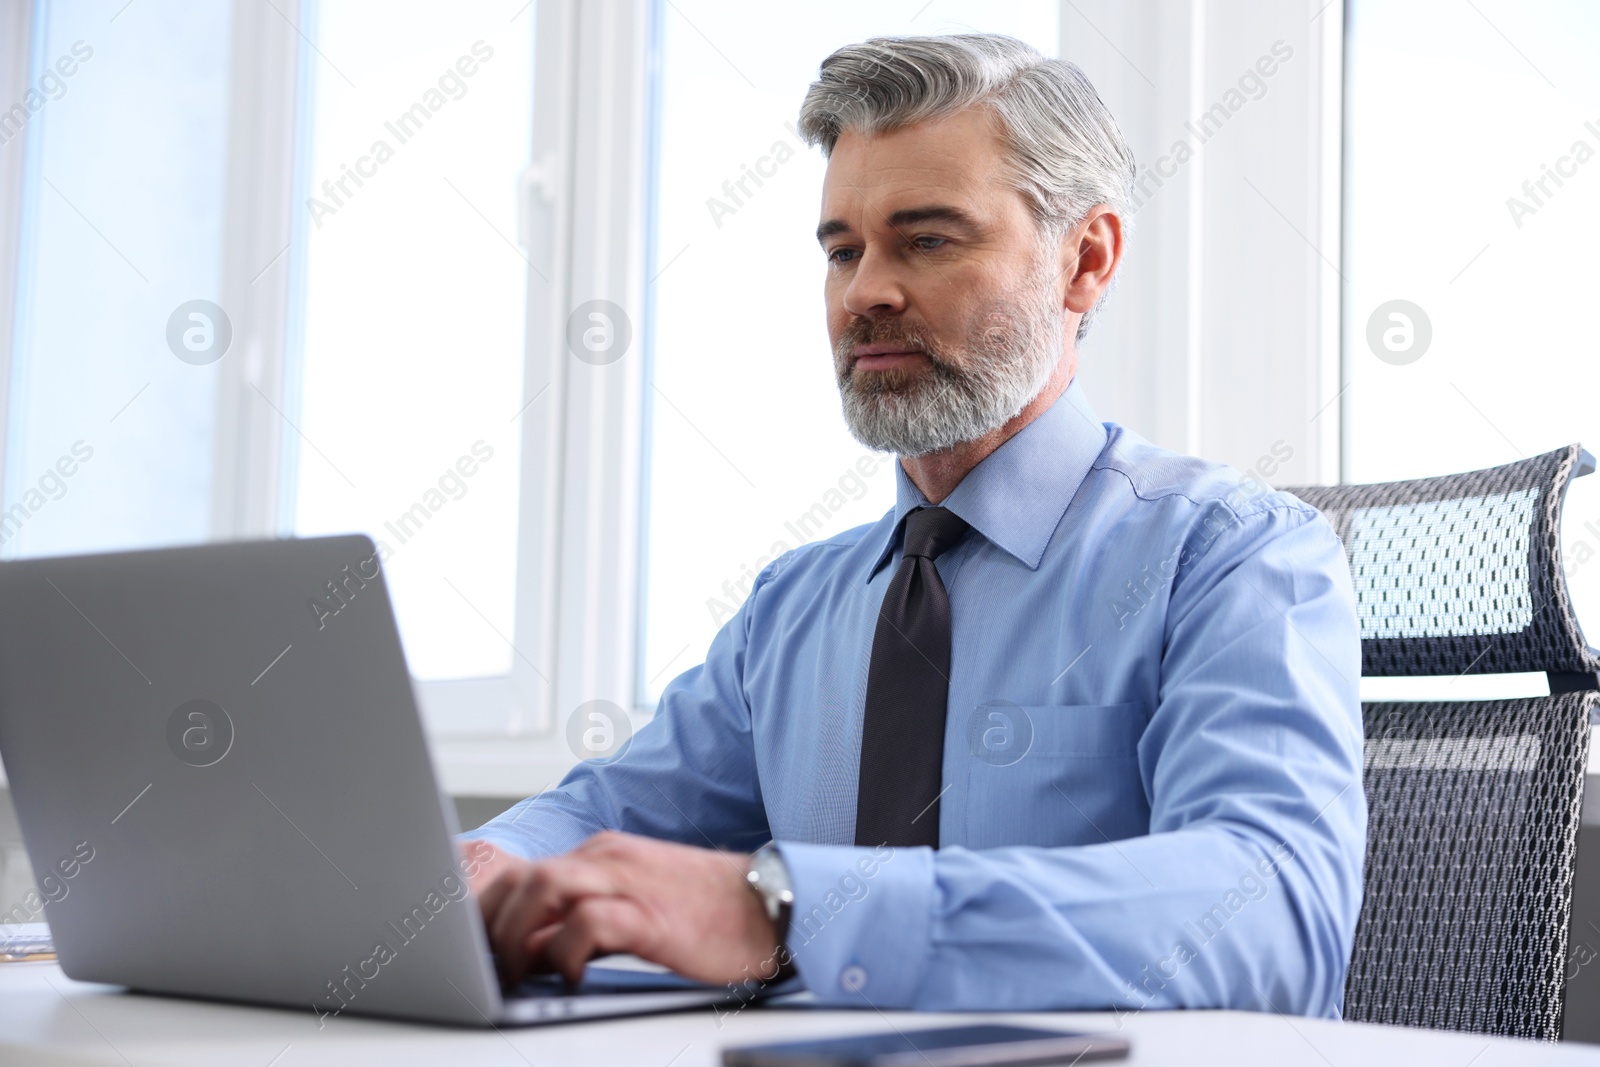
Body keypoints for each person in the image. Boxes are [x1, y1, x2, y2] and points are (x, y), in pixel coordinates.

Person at [463, 33, 1365, 1017]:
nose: (864, 294)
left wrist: (786, 910)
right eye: (843, 249)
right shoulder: (793, 608)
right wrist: (486, 868)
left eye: (926, 239)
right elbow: (608, 813)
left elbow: (1272, 912)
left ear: (1087, 258)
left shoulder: (1229, 556)